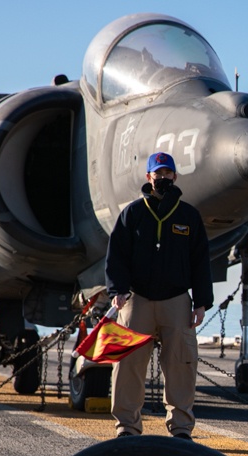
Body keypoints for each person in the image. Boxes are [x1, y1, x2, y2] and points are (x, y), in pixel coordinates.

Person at [105, 152, 214, 440]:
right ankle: (127, 427)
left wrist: (202, 301)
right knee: (127, 364)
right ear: (148, 177)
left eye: (168, 173)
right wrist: (117, 290)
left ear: (175, 177)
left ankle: (180, 428)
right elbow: (116, 255)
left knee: (181, 365)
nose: (163, 178)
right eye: (158, 173)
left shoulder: (188, 216)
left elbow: (201, 259)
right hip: (136, 301)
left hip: (176, 300)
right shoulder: (133, 213)